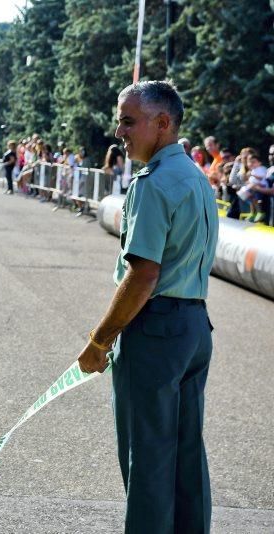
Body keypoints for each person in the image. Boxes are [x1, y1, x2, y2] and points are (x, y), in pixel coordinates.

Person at [78, 80, 218, 534]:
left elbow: (143, 274)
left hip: (155, 329)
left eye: (128, 121)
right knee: (186, 453)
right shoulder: (196, 177)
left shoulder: (153, 183)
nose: (120, 131)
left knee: (149, 458)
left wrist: (100, 340)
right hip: (195, 326)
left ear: (163, 123)